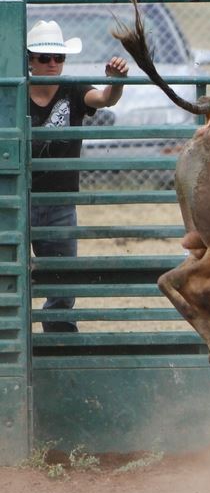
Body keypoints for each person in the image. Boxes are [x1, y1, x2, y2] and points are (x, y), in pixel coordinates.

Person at [27, 20, 129, 333]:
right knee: (12, 278)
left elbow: (105, 99)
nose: (53, 64)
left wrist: (116, 83)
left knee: (63, 284)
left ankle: (59, 346)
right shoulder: (13, 91)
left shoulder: (74, 89)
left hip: (59, 202)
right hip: (22, 199)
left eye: (59, 58)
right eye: (44, 58)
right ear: (29, 59)